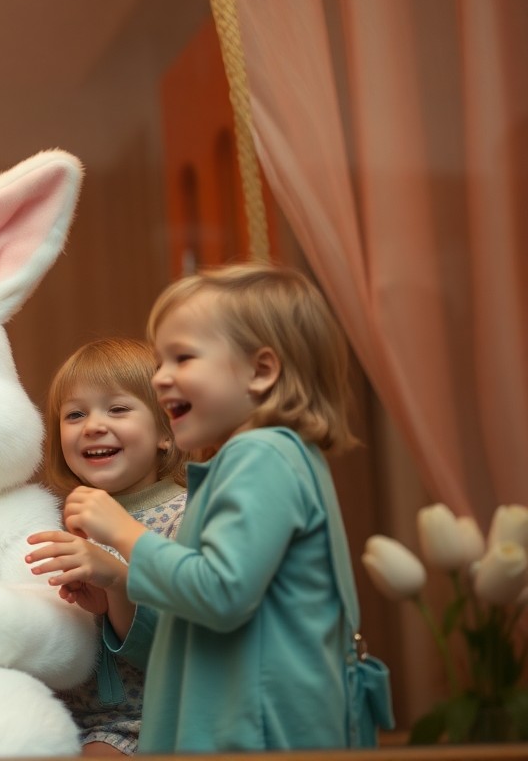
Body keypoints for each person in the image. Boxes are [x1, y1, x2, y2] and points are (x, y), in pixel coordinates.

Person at [65, 263, 366, 752]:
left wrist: (123, 533)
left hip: (255, 734)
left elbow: (220, 590)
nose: (161, 379)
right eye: (160, 361)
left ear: (261, 371)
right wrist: (119, 587)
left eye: (182, 358)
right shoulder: (265, 458)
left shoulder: (262, 456)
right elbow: (197, 617)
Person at [23, 338, 188, 756]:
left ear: (166, 432)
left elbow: (183, 649)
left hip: (149, 722)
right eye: (75, 414)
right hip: (58, 719)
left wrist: (117, 582)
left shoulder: (188, 516)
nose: (93, 425)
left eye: (117, 408)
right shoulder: (55, 522)